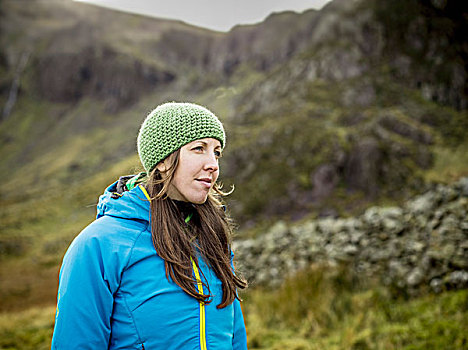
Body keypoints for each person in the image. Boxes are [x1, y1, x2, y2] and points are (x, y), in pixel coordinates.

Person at [51, 102, 248, 349]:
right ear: (164, 160)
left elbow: (235, 336)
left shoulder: (213, 236)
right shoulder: (99, 244)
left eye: (216, 152)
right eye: (199, 148)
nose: (213, 164)